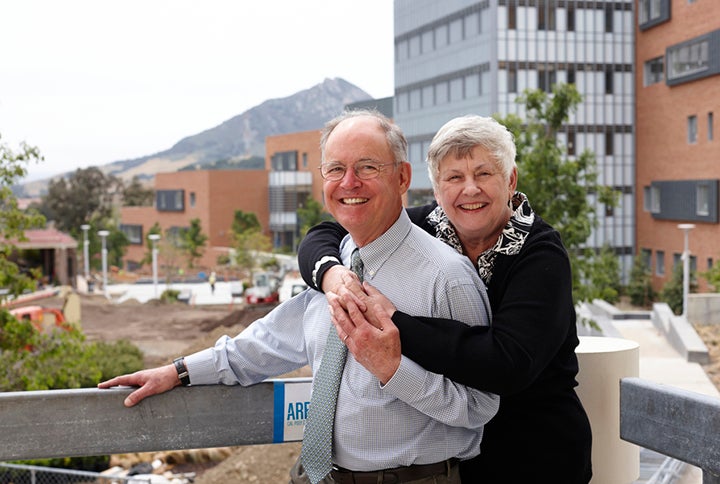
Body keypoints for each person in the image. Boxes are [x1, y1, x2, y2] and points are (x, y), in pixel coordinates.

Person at [99, 110, 499, 484]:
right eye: (336, 169)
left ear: (402, 177)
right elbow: (262, 344)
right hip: (318, 474)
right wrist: (178, 371)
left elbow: (481, 406)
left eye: (367, 168)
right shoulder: (336, 267)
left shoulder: (448, 279)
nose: (349, 183)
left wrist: (394, 370)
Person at [297, 114, 593, 483]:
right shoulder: (427, 226)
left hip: (535, 457)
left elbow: (508, 363)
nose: (469, 190)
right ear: (436, 188)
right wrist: (330, 274)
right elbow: (326, 232)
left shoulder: (541, 254)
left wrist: (394, 324)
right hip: (458, 463)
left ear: (511, 179)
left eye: (484, 174)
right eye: (454, 177)